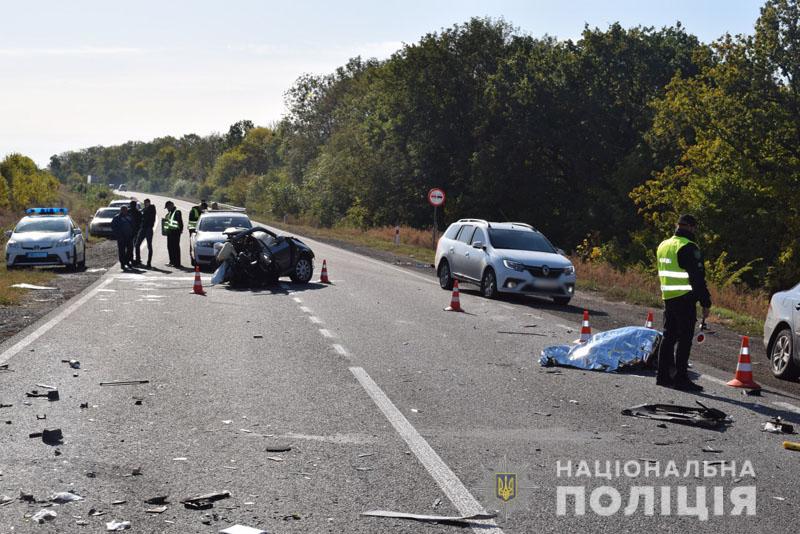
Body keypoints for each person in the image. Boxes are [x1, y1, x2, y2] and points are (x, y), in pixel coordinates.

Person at [656, 214, 712, 392]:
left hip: (668, 296)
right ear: (692, 228)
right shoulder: (688, 247)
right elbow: (697, 278)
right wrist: (706, 302)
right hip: (685, 298)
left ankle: (663, 376)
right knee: (685, 338)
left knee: (668, 336)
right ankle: (681, 378)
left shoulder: (663, 245)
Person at [111, 205, 134, 270]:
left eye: (125, 209)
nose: (124, 211)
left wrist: (133, 233)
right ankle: (122, 264)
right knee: (121, 251)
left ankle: (127, 261)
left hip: (129, 237)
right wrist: (118, 235)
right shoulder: (117, 218)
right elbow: (113, 227)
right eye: (123, 210)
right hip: (121, 237)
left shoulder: (130, 216)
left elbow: (133, 225)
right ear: (121, 210)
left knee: (130, 250)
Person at [162, 201, 184, 268]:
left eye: (168, 207)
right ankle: (172, 261)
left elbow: (180, 222)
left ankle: (177, 263)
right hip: (170, 233)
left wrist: (179, 231)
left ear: (171, 205)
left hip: (175, 233)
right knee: (170, 247)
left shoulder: (177, 212)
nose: (167, 209)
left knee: (175, 248)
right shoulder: (169, 213)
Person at [136, 198, 156, 268]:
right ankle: (138, 260)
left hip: (148, 229)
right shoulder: (145, 209)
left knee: (149, 246)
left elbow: (149, 214)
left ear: (149, 203)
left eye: (146, 203)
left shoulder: (152, 208)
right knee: (137, 244)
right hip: (143, 228)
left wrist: (144, 210)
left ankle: (149, 262)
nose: (144, 204)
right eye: (144, 203)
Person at [128, 200, 142, 265]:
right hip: (133, 231)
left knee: (133, 246)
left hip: (133, 231)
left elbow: (140, 222)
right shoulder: (137, 212)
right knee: (135, 246)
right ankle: (136, 259)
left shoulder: (129, 212)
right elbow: (141, 222)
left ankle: (133, 259)